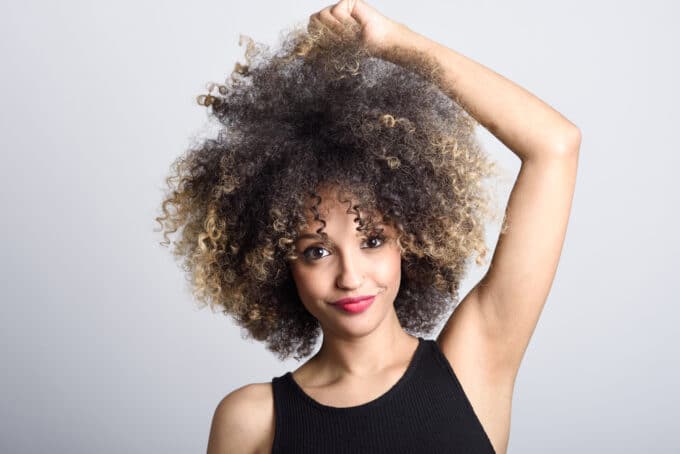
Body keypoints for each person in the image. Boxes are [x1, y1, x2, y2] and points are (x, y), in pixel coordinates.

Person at [155, 1, 580, 452]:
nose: (351, 277)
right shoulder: (252, 419)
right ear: (276, 267)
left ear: (409, 243)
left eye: (372, 240)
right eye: (316, 251)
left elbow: (554, 144)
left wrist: (396, 44)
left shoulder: (475, 363)